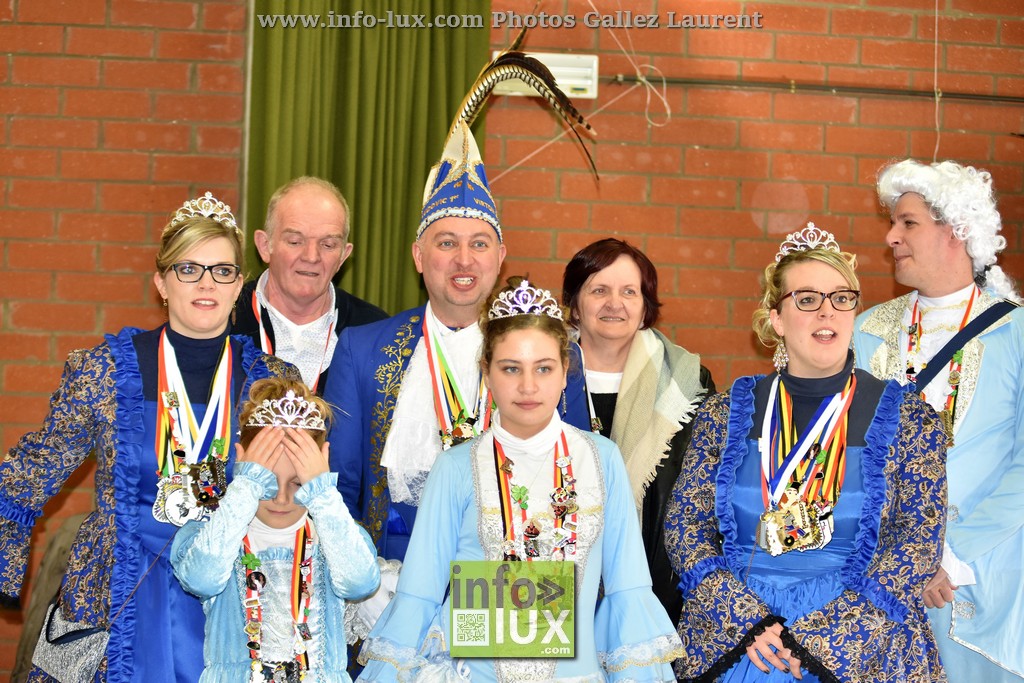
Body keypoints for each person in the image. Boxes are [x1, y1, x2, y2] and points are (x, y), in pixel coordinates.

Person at [0, 192, 297, 681]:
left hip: (230, 591)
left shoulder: (274, 383)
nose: (206, 283)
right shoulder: (106, 371)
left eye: (222, 270)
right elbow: (34, 468)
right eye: (188, 269)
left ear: (239, 284)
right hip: (117, 590)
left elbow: (295, 498)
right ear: (161, 282)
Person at [323, 48, 594, 562]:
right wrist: (359, 584)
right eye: (446, 242)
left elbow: (574, 479)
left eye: (480, 243)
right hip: (393, 580)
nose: (464, 259)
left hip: (513, 584)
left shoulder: (554, 352)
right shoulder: (362, 349)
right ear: (418, 256)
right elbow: (340, 486)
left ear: (501, 256)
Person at [358, 277, 683, 681]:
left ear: (566, 371)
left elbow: (626, 588)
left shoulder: (601, 458)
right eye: (510, 368)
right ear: (487, 373)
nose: (528, 386)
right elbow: (420, 594)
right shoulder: (457, 466)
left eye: (544, 368)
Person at [666, 223, 948, 682]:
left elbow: (918, 536)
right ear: (776, 318)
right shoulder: (725, 412)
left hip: (860, 643)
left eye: (842, 297)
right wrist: (746, 621)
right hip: (744, 640)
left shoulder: (908, 417)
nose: (827, 312)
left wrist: (828, 639)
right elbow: (684, 525)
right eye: (807, 299)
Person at [853, 159, 1024, 682]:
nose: (891, 236)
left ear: (958, 230)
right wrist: (902, 555)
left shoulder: (1015, 332)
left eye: (909, 223)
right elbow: (846, 452)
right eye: (894, 222)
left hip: (980, 577)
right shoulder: (867, 330)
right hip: (879, 576)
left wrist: (951, 554)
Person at [172, 377, 380, 682]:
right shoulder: (214, 536)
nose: (282, 499)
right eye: (267, 483)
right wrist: (244, 487)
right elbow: (201, 578)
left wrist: (322, 493)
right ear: (242, 462)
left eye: (298, 483)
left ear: (321, 467)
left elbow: (360, 582)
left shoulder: (337, 536)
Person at [561, 238, 714, 623]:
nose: (615, 303)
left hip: (653, 589)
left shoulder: (688, 385)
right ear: (575, 304)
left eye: (630, 292)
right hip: (549, 586)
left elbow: (703, 497)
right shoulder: (539, 375)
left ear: (645, 307)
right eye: (599, 290)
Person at [233, 176, 388, 393]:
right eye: (296, 241)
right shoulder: (226, 319)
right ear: (265, 245)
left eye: (328, 244)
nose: (311, 256)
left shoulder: (376, 332)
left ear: (343, 255)